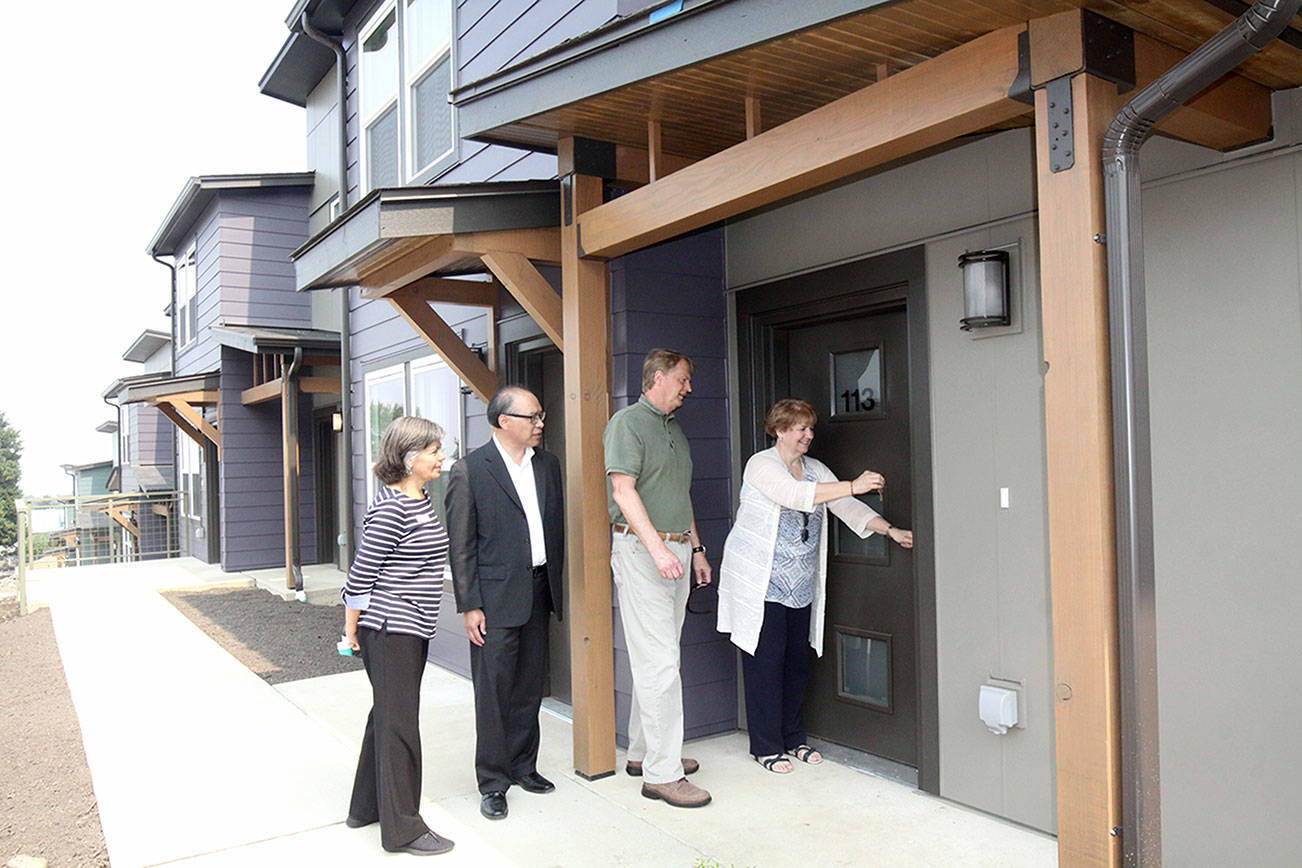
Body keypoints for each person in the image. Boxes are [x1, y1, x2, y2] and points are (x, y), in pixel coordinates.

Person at [717, 398, 913, 773]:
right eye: (800, 428)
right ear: (779, 430)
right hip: (763, 585)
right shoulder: (761, 465)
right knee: (765, 664)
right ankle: (765, 746)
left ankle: (793, 738)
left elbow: (845, 506)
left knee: (796, 665)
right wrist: (853, 484)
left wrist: (889, 530)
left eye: (810, 428)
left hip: (799, 586)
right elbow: (794, 496)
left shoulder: (816, 469)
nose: (808, 435)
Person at [445, 387, 565, 821]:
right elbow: (461, 546)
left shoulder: (547, 466)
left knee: (529, 686)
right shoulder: (471, 470)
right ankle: (493, 782)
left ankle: (523, 766)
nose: (540, 423)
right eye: (532, 416)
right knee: (494, 691)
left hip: (538, 591)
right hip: (493, 600)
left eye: (540, 414)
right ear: (503, 421)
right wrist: (469, 605)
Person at [604, 348, 713, 809]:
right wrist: (658, 549)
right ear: (660, 377)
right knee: (661, 662)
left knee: (657, 657)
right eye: (684, 380)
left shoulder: (674, 430)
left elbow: (678, 494)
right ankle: (663, 775)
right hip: (642, 550)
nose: (689, 388)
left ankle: (643, 752)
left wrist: (697, 548)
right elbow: (622, 491)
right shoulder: (627, 423)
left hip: (677, 549)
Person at [341, 416, 455, 856]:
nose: (441, 456)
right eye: (433, 450)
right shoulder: (391, 508)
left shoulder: (419, 499)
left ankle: (365, 807)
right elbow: (361, 575)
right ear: (409, 458)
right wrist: (350, 630)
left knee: (386, 719)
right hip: (389, 631)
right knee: (400, 727)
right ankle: (404, 829)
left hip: (409, 629)